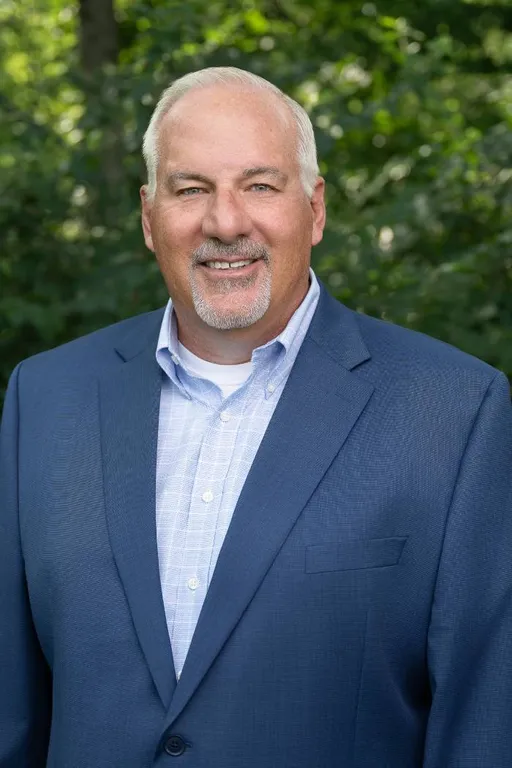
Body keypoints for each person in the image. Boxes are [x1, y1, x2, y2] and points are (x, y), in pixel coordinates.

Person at [1, 66, 512, 768]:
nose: (226, 221)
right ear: (149, 218)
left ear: (316, 209)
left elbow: (484, 726)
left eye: (260, 185)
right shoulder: (45, 397)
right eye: (191, 189)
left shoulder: (455, 412)